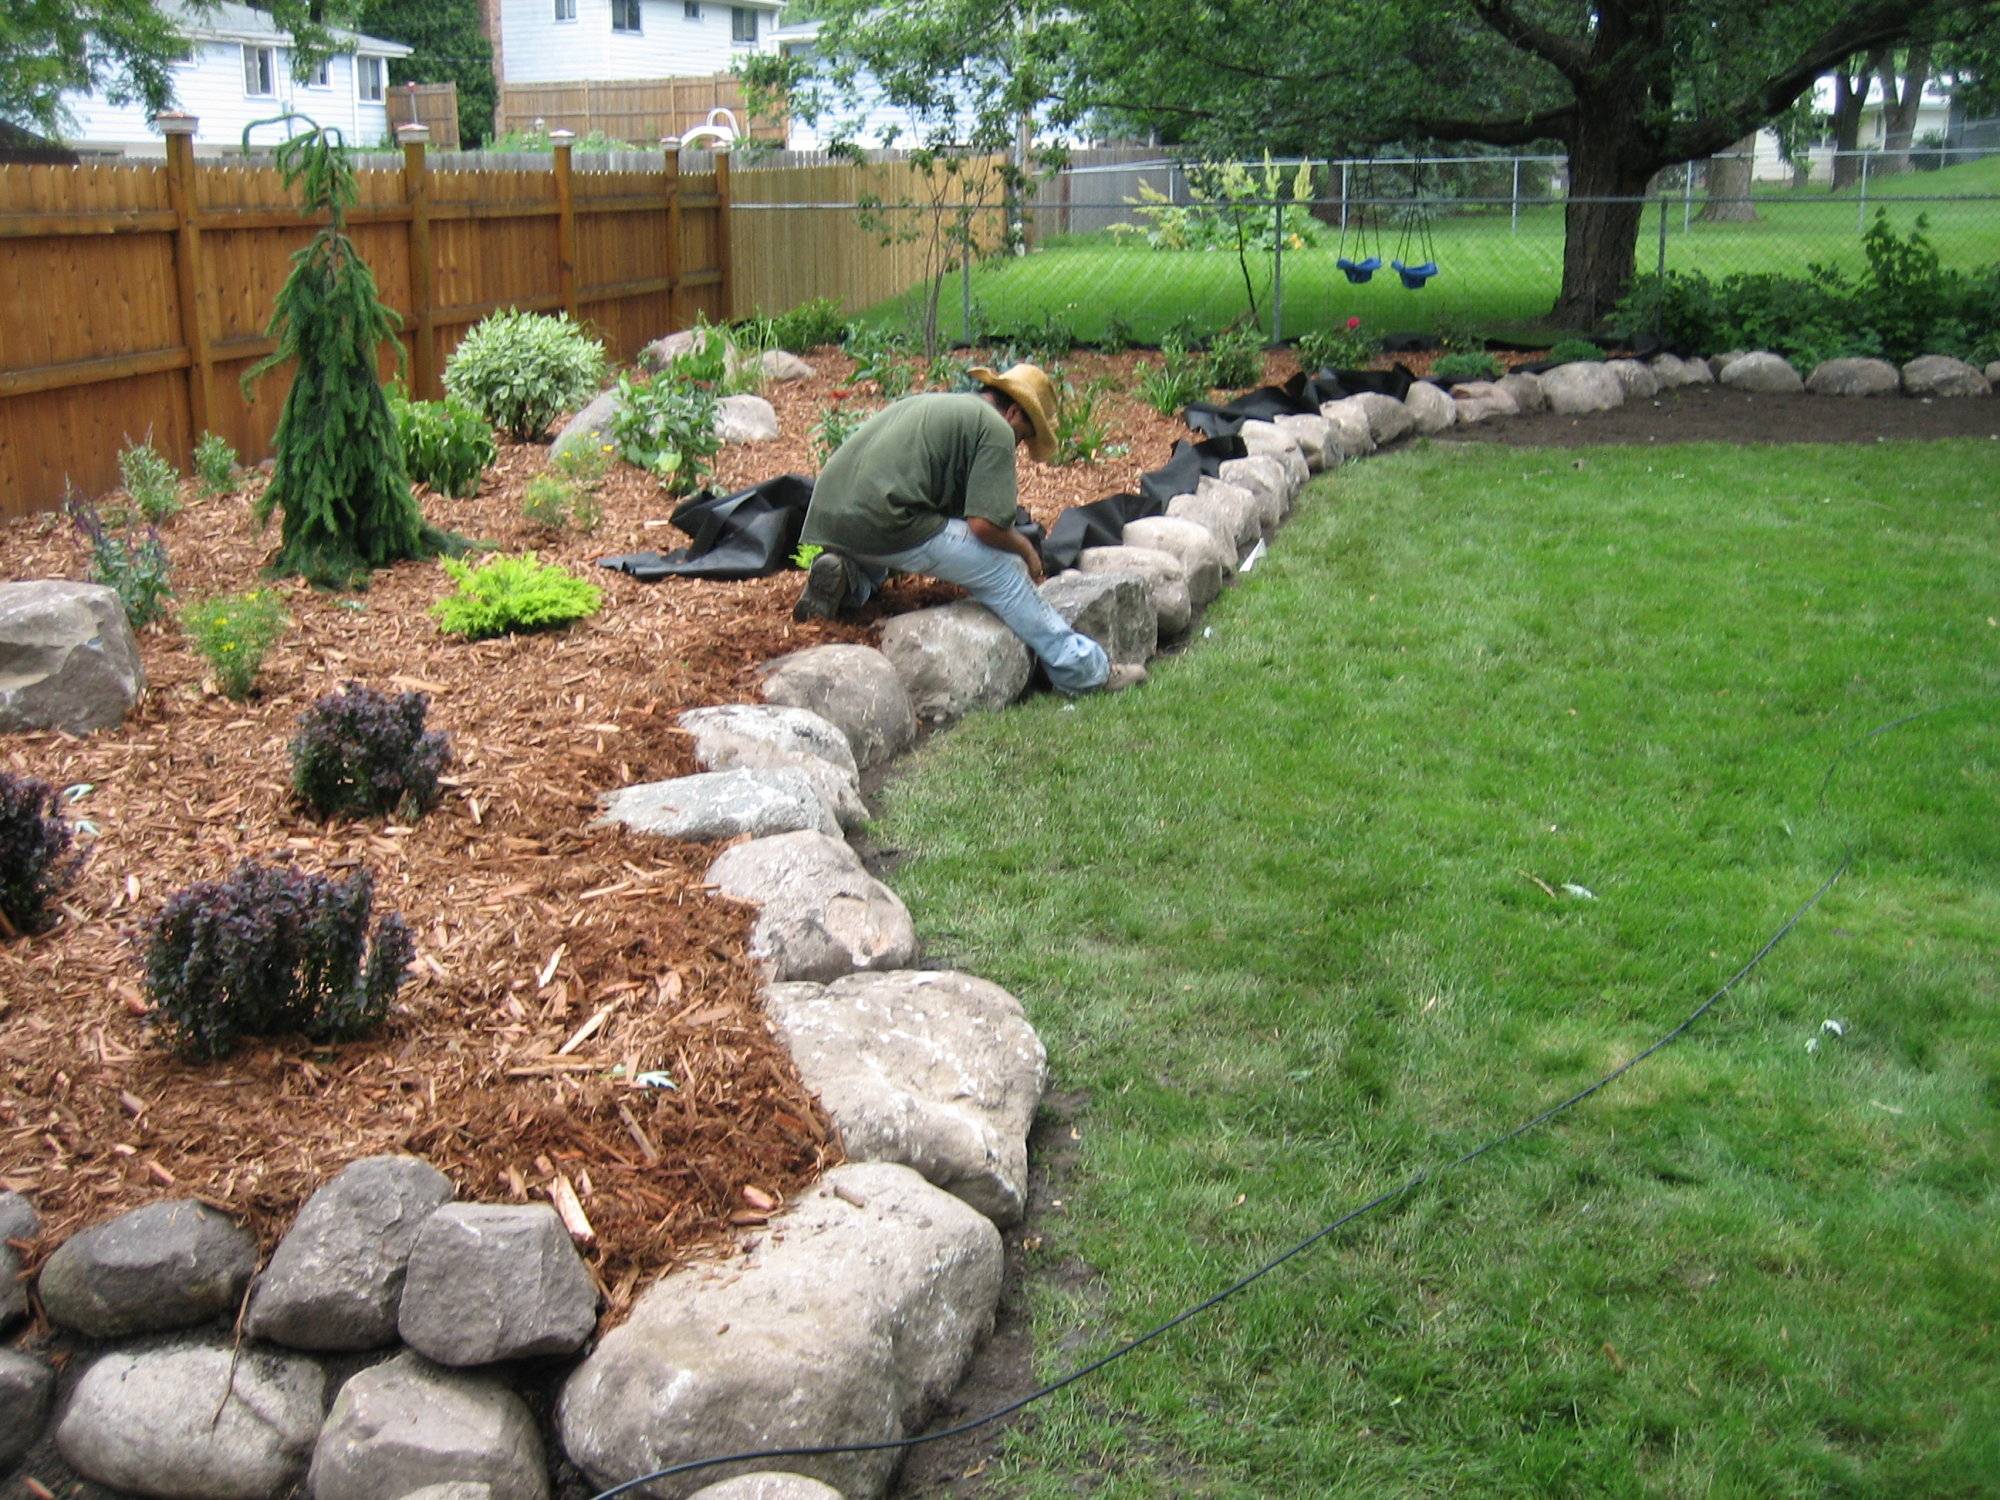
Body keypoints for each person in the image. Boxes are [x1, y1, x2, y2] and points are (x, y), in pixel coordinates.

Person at [792, 363, 1116, 694]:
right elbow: (984, 526)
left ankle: (849, 578)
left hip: (832, 517)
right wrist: (1027, 551)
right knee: (1005, 569)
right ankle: (1082, 670)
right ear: (1015, 412)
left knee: (904, 533)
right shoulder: (996, 427)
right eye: (1023, 437)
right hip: (886, 520)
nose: (1017, 446)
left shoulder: (939, 405)